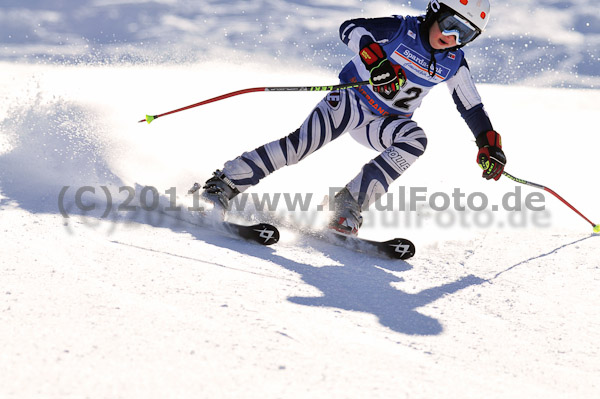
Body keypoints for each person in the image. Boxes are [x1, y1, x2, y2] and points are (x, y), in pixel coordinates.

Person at [195, 0, 506, 236]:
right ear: (435, 10)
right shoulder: (403, 29)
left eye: (464, 33)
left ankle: (348, 203)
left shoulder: (454, 62)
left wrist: (488, 144)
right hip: (351, 100)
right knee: (300, 146)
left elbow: (472, 106)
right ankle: (223, 183)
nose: (452, 36)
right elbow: (351, 28)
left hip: (382, 122)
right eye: (450, 24)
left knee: (415, 140)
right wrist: (376, 60)